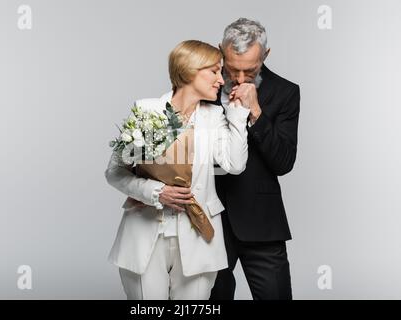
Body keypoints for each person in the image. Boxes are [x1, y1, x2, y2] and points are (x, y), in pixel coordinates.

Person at [105, 40, 251, 300]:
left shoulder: (215, 116)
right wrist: (155, 191)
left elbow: (235, 165)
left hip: (198, 237)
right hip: (145, 234)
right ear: (189, 70)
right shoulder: (147, 110)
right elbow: (115, 172)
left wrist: (239, 114)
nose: (221, 80)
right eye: (214, 71)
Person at [210, 18, 300, 300]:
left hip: (261, 220)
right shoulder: (202, 86)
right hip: (206, 223)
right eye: (231, 68)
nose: (237, 78)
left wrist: (256, 112)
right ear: (220, 52)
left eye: (249, 70)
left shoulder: (286, 92)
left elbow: (283, 162)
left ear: (266, 55)